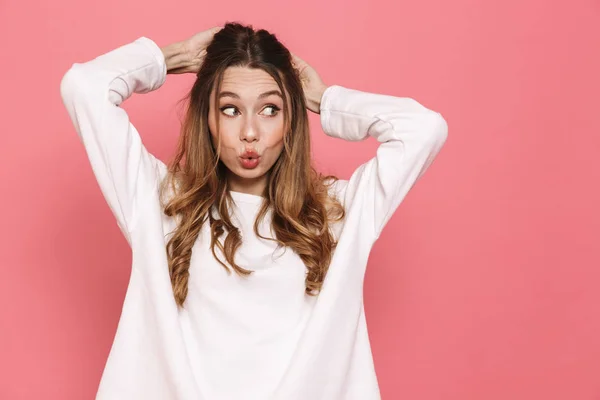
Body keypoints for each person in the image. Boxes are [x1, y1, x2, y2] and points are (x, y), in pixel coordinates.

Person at [60, 21, 448, 400]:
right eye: (230, 110)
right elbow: (85, 87)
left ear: (291, 118)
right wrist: (174, 56)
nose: (250, 132)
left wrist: (323, 98)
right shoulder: (160, 201)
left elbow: (423, 129)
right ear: (207, 118)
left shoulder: (337, 214)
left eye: (269, 110)